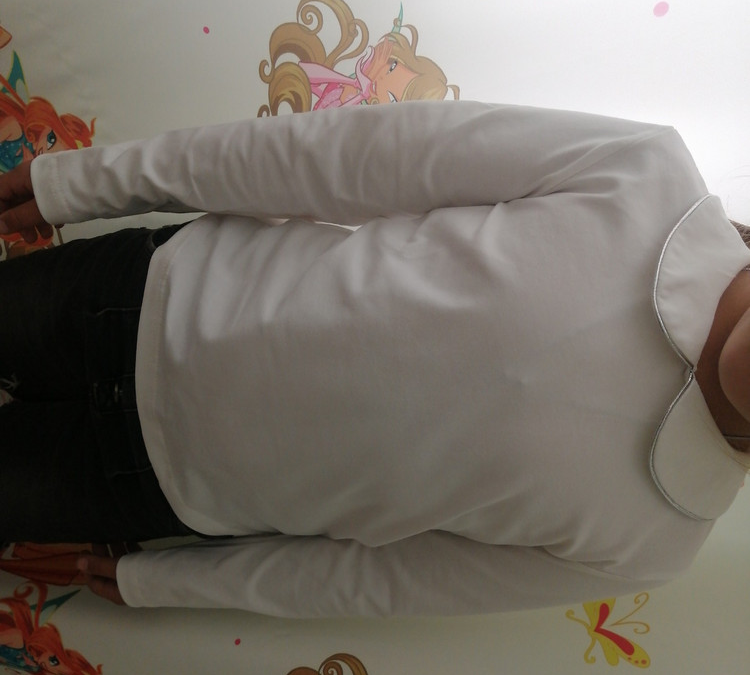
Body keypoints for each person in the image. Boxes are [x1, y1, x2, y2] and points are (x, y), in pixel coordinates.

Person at [0, 101, 749, 618]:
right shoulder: (644, 179)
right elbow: (345, 156)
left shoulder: (651, 541)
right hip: (141, 296)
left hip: (151, 484)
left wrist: (166, 584)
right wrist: (81, 184)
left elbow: (377, 582)